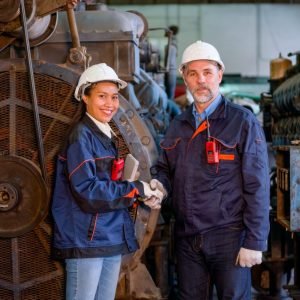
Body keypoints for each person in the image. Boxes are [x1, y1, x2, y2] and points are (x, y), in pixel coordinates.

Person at [151, 41, 270, 299]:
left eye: (207, 72)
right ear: (184, 77)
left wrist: (254, 241)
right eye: (193, 74)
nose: (200, 80)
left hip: (229, 236)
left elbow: (258, 185)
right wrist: (159, 186)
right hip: (187, 238)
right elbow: (164, 169)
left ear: (219, 74)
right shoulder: (178, 125)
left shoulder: (242, 122)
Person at [51, 63, 163, 300]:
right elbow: (88, 191)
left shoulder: (105, 135)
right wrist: (135, 189)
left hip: (109, 235)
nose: (110, 104)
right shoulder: (81, 137)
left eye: (114, 97)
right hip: (87, 240)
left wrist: (142, 193)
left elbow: (107, 184)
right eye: (101, 96)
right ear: (84, 97)